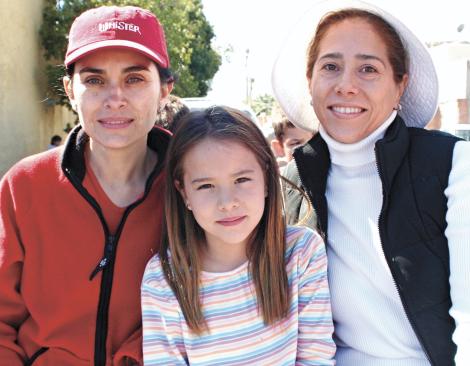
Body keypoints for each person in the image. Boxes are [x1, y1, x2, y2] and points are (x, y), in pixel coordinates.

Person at [272, 0, 470, 365]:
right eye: (330, 66)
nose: (346, 85)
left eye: (368, 69)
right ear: (310, 81)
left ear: (400, 86)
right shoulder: (289, 186)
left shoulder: (453, 166)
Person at [0, 6, 173, 365]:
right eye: (94, 80)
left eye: (134, 79)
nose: (114, 99)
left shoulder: (195, 184)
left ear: (164, 90)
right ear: (70, 90)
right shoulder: (24, 187)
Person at [141, 106, 335, 365]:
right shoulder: (164, 278)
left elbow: (316, 358)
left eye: (242, 179)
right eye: (206, 185)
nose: (227, 202)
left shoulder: (302, 253)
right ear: (184, 192)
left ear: (267, 178)